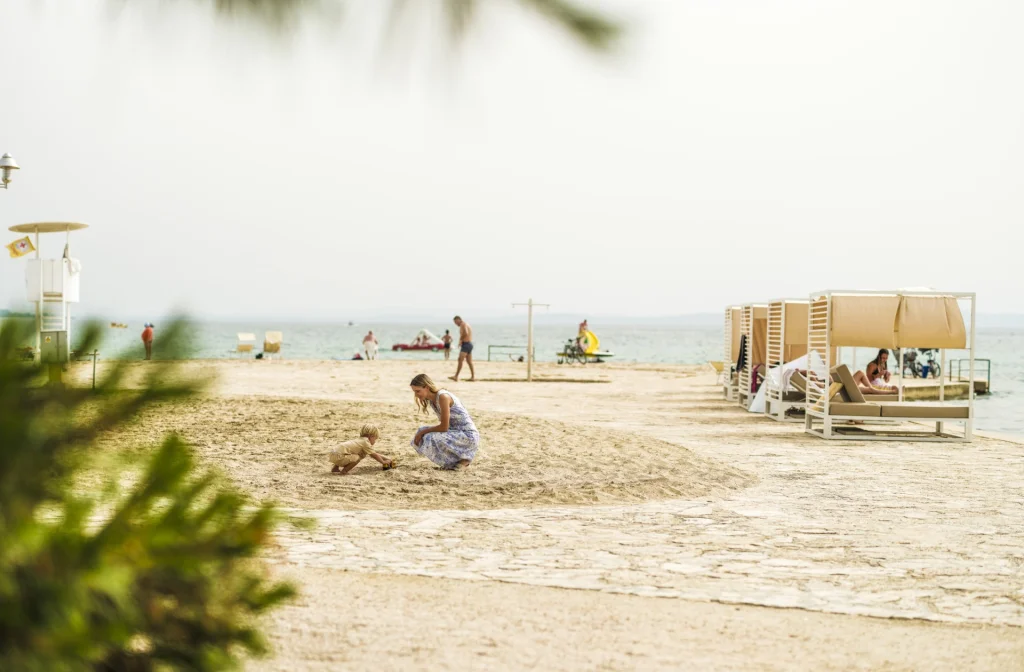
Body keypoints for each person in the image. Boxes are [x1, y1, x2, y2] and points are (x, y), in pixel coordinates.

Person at [409, 373, 479, 470]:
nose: (416, 395)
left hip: (468, 435)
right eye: (414, 392)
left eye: (418, 391)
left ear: (427, 387)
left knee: (429, 436)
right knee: (422, 431)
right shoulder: (432, 400)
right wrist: (421, 432)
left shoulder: (443, 397)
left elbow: (444, 427)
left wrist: (422, 433)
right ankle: (454, 461)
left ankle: (464, 460)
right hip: (455, 432)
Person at [329, 424, 394, 474]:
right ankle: (344, 471)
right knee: (357, 457)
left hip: (333, 453)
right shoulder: (365, 442)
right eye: (375, 439)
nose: (375, 441)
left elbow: (374, 453)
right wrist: (383, 462)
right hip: (339, 456)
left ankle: (335, 468)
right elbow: (374, 455)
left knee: (347, 453)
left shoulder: (359, 440)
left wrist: (387, 459)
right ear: (371, 436)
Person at [449, 316, 475, 382]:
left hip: (466, 345)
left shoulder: (463, 324)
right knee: (469, 362)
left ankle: (456, 376)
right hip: (469, 344)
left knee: (460, 360)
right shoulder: (465, 324)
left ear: (459, 320)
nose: (456, 324)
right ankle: (473, 377)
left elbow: (466, 333)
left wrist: (460, 340)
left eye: (456, 322)